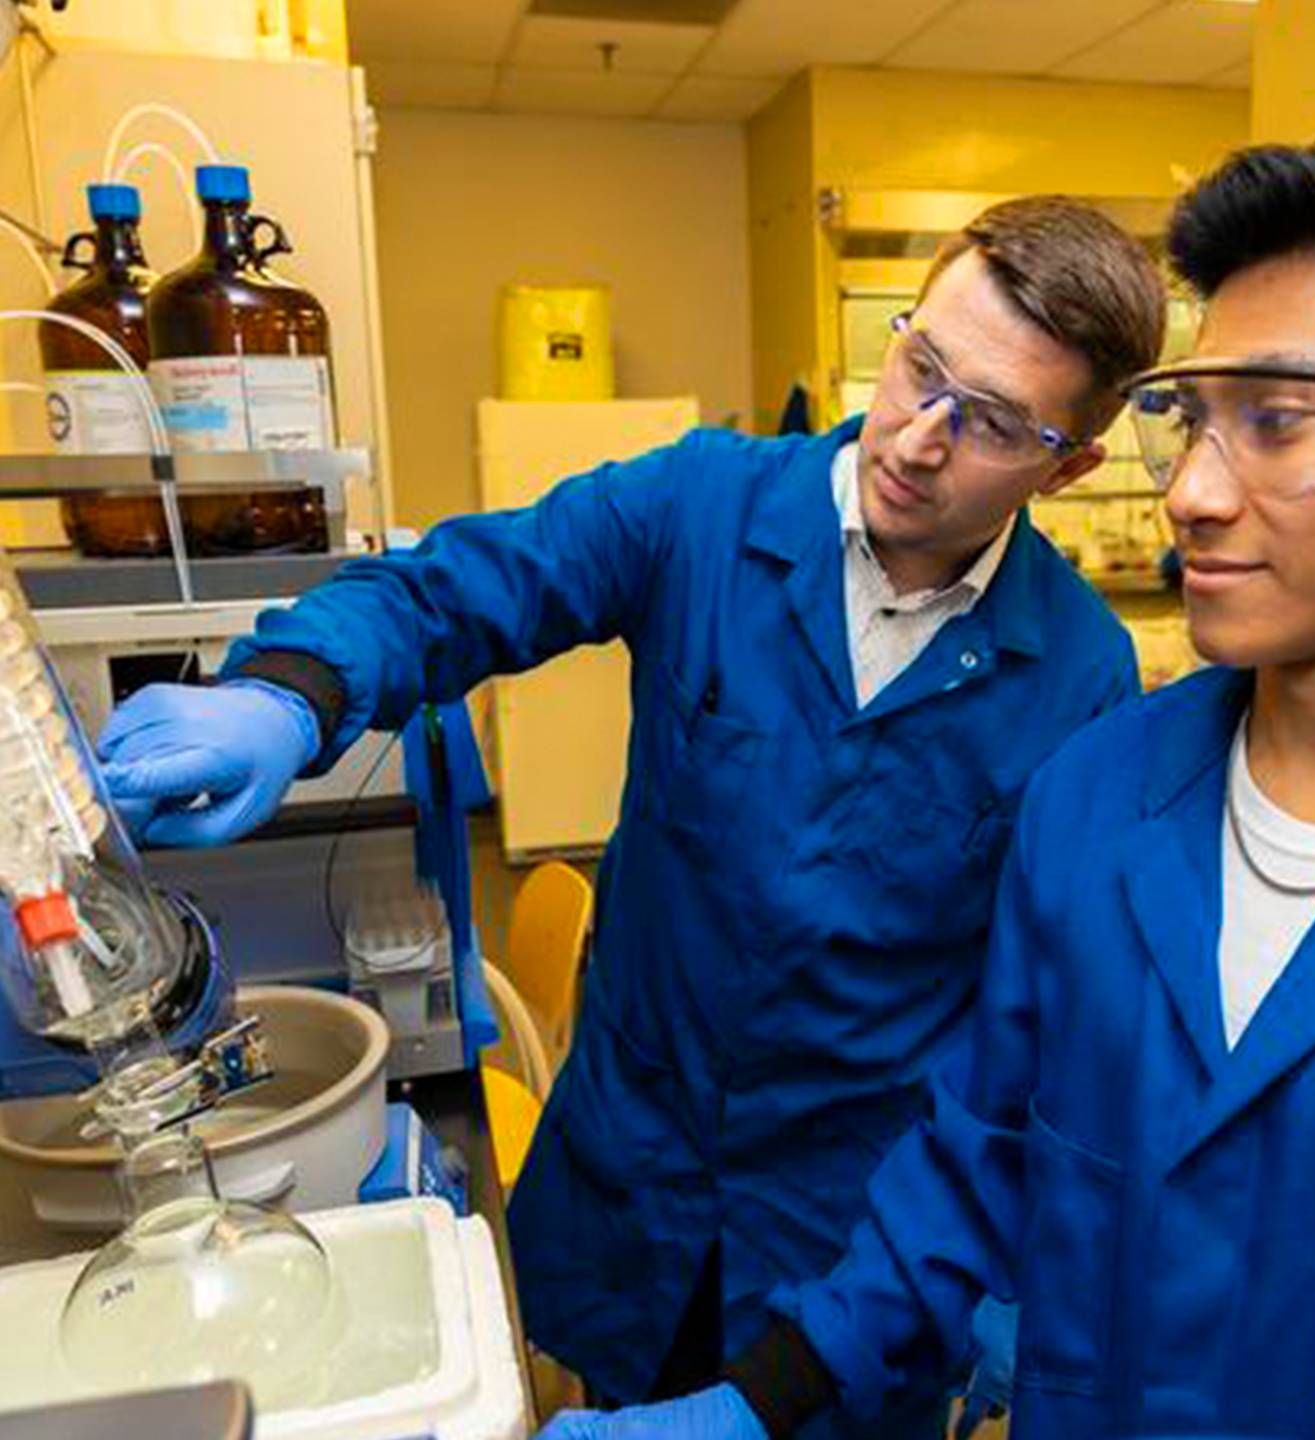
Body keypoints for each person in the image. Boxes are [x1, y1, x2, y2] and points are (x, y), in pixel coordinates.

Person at [97, 197, 1163, 1433]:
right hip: (639, 1189)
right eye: (920, 366)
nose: (919, 438)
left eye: (985, 422)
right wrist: (292, 695)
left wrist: (996, 1292)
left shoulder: (1080, 672)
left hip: (851, 1258)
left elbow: (1033, 1030)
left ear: (1069, 463)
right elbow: (458, 590)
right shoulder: (704, 507)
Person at [531, 136, 1315, 1440]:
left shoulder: (1067, 672)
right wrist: (755, 1405)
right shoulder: (1099, 797)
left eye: (1278, 422)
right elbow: (980, 1158)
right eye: (1192, 422)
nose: (1189, 493)